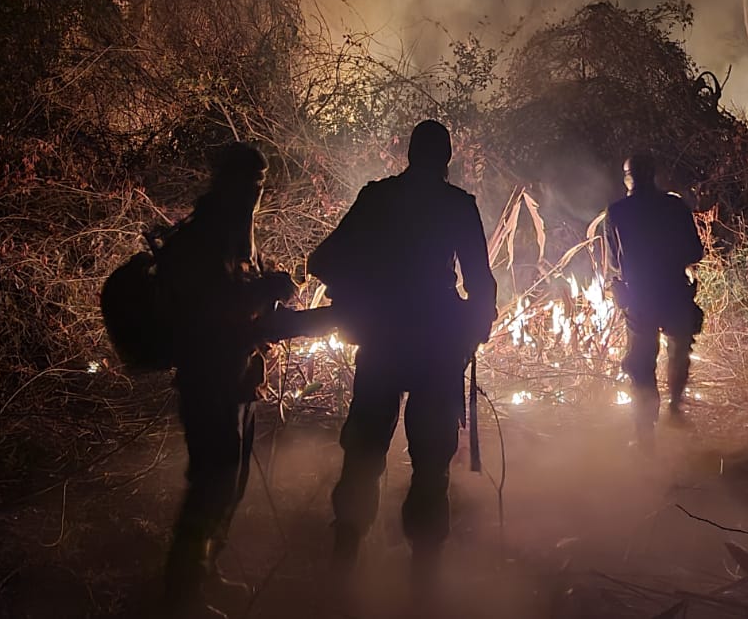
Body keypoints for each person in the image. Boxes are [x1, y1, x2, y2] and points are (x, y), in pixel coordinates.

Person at [307, 120, 497, 589]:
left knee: (364, 453)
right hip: (435, 345)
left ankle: (343, 561)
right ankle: (423, 578)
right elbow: (481, 283)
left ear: (409, 155)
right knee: (431, 463)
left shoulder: (378, 198)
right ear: (446, 160)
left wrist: (363, 289)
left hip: (385, 337)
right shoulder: (457, 205)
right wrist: (473, 329)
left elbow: (322, 260)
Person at [157, 143, 295, 614]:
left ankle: (205, 573)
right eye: (250, 182)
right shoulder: (203, 238)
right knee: (211, 486)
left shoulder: (239, 233)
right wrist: (267, 289)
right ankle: (182, 592)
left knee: (229, 487)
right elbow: (213, 307)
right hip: (209, 381)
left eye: (262, 184)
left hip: (238, 379)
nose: (257, 194)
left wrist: (271, 296)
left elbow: (241, 301)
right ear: (228, 180)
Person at [604, 152, 705, 447]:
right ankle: (674, 408)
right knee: (679, 351)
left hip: (640, 296)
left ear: (628, 178)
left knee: (641, 364)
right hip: (674, 290)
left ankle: (646, 434)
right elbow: (695, 252)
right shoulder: (674, 206)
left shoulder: (617, 212)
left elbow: (614, 264)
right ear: (653, 175)